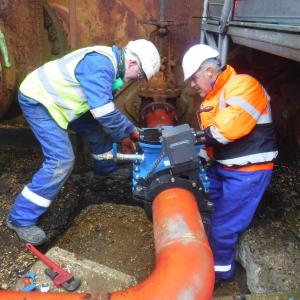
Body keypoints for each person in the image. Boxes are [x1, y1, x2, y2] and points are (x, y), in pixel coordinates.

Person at [7, 39, 160, 245]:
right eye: (140, 76)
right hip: (40, 101)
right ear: (133, 64)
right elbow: (104, 112)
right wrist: (130, 132)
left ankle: (105, 171)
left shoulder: (111, 65)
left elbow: (103, 113)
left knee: (99, 133)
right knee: (61, 160)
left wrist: (123, 135)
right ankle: (20, 218)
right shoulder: (100, 65)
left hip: (62, 100)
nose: (137, 80)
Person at [182, 44, 278, 281]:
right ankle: (203, 257)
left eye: (194, 79)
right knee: (206, 210)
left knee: (223, 228)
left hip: (248, 173)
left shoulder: (243, 84)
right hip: (222, 168)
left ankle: (218, 276)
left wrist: (190, 139)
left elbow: (226, 130)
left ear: (209, 72)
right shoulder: (212, 99)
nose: (192, 86)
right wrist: (197, 158)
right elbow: (211, 141)